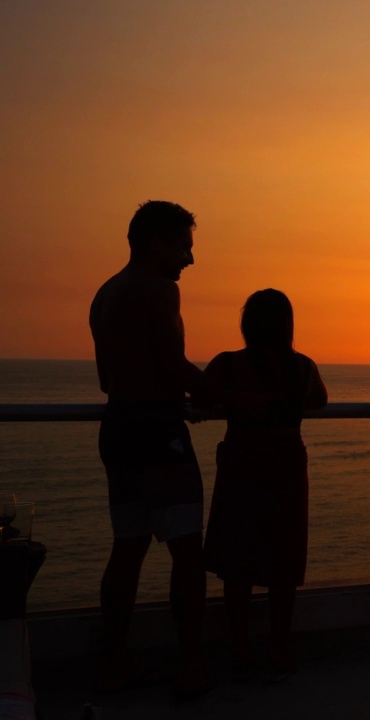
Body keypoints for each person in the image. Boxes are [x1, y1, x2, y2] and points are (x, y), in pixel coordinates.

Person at [88, 200, 215, 698]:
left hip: (119, 425)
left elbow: (114, 375)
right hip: (156, 429)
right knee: (187, 553)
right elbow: (171, 362)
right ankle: (190, 668)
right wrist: (223, 395)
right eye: (184, 247)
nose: (189, 259)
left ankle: (114, 664)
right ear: (155, 244)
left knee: (128, 550)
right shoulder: (157, 290)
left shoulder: (107, 292)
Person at [202, 289, 327, 681]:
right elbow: (320, 401)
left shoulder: (228, 365)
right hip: (287, 464)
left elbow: (201, 397)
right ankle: (278, 649)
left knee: (237, 561)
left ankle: (240, 648)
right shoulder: (302, 367)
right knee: (283, 561)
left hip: (242, 462)